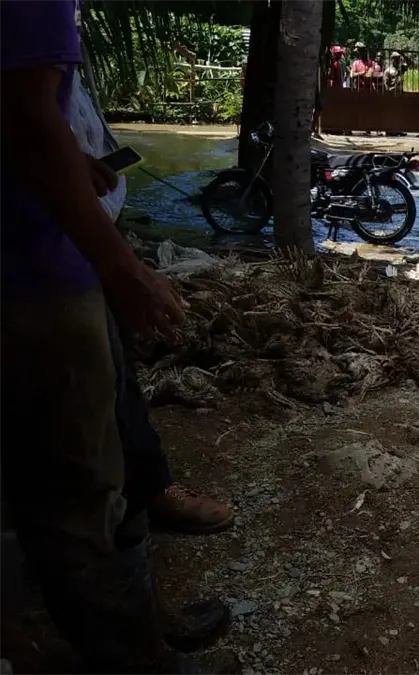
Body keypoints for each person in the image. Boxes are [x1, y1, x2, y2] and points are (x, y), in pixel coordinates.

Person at [0, 2, 236, 673]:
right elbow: (23, 114)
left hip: (33, 256)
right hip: (33, 272)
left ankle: (51, 634)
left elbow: (19, 109)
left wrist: (71, 158)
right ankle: (135, 658)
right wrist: (120, 267)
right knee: (79, 482)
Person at [68, 69, 236, 537]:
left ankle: (141, 493)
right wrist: (124, 269)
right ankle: (123, 524)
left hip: (87, 216)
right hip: (60, 241)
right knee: (99, 382)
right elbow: (30, 125)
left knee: (115, 372)